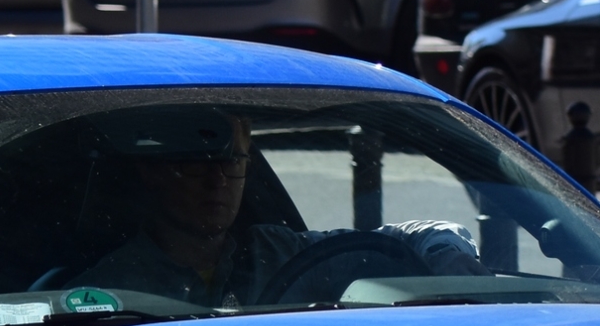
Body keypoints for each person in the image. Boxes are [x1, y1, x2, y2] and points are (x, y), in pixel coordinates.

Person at [76, 106, 483, 308]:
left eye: (231, 162)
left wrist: (453, 269)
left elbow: (415, 236)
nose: (217, 179)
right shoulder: (108, 289)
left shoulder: (283, 250)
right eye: (196, 163)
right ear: (152, 172)